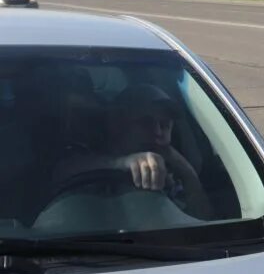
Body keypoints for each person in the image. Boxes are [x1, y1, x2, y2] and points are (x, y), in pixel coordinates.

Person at [54, 83, 211, 220]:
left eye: (164, 125)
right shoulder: (84, 155)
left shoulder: (172, 174)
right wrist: (121, 163)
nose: (157, 132)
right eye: (145, 122)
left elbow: (203, 222)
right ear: (116, 123)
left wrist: (188, 173)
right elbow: (61, 172)